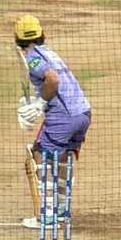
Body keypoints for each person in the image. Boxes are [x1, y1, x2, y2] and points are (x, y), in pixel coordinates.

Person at [14, 15, 91, 229]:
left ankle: (47, 215)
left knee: (40, 154)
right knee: (64, 157)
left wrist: (40, 104)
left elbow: (53, 80)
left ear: (18, 38)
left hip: (63, 116)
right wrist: (37, 101)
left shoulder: (33, 58)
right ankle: (61, 211)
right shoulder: (49, 53)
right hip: (83, 112)